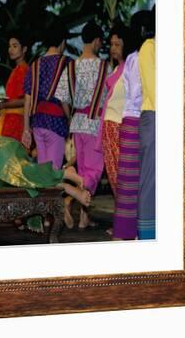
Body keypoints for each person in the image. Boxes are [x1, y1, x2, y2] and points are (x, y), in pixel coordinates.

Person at [55, 20, 111, 229]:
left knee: (85, 169)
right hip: (95, 124)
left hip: (77, 122)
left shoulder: (72, 66)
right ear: (97, 41)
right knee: (94, 172)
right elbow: (109, 97)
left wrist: (71, 117)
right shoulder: (104, 66)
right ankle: (69, 199)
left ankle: (83, 216)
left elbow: (63, 99)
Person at [97, 24, 139, 236]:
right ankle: (122, 221)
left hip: (121, 126)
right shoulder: (115, 70)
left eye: (117, 44)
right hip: (108, 127)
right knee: (114, 177)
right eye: (111, 44)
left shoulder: (131, 68)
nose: (113, 48)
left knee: (123, 178)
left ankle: (129, 222)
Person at [111, 19, 144, 240]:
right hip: (135, 119)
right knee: (132, 182)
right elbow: (136, 95)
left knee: (128, 181)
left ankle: (124, 232)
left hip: (128, 121)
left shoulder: (132, 58)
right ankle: (125, 232)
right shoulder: (137, 58)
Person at [22, 22, 71, 169]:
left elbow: (28, 99)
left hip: (37, 122)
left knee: (43, 169)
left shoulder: (35, 64)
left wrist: (26, 128)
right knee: (54, 170)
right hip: (56, 121)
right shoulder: (66, 63)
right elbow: (64, 97)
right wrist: (70, 119)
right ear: (62, 42)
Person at [134, 9, 156, 240]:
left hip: (165, 117)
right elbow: (153, 87)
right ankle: (148, 236)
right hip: (155, 115)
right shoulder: (149, 46)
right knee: (150, 181)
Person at [0, 34, 30, 141]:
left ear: (24, 49)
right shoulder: (17, 70)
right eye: (9, 46)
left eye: (15, 46)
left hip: (15, 122)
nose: (10, 49)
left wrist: (0, 105)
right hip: (10, 120)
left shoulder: (23, 70)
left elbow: (25, 100)